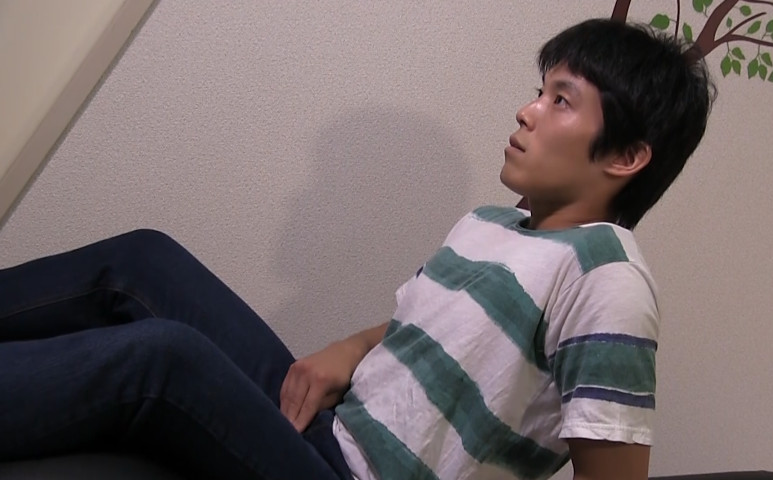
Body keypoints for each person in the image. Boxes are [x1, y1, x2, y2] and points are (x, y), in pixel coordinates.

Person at [0, 18, 713, 480]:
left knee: (162, 357)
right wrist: (349, 349)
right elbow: (427, 332)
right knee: (145, 262)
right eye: (539, 91)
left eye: (560, 100)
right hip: (333, 432)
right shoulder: (493, 224)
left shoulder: (607, 279)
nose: (526, 111)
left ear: (625, 155)